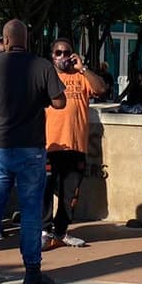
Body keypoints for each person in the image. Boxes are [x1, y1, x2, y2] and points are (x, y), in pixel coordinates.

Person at [0, 19, 67, 284]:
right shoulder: (42, 66)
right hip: (31, 147)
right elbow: (60, 102)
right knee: (31, 209)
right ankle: (32, 271)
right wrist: (40, 97)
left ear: (5, 40)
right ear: (27, 40)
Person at [42, 38, 105, 249]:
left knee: (70, 193)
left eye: (66, 52)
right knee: (44, 190)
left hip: (76, 145)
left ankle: (61, 231)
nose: (62, 56)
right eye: (58, 53)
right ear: (52, 56)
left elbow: (101, 89)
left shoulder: (81, 77)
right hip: (50, 145)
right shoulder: (47, 76)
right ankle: (44, 231)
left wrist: (83, 68)